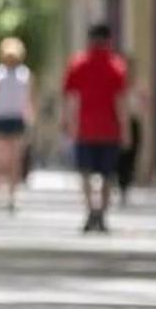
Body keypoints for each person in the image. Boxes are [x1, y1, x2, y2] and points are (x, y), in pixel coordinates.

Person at [63, 24, 129, 233]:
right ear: (109, 40)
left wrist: (70, 123)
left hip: (85, 128)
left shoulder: (78, 64)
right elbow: (121, 101)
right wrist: (125, 128)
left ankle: (91, 210)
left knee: (85, 173)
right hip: (110, 129)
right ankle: (102, 214)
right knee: (108, 175)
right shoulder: (116, 66)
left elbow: (73, 98)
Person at [0, 37, 34, 212]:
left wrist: (29, 117)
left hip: (16, 119)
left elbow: (29, 98)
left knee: (15, 160)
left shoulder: (25, 74)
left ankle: (13, 196)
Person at [117, 60, 148, 206]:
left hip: (134, 123)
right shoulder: (118, 85)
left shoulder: (138, 87)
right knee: (120, 158)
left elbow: (145, 105)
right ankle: (121, 184)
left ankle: (126, 187)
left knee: (132, 156)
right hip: (119, 124)